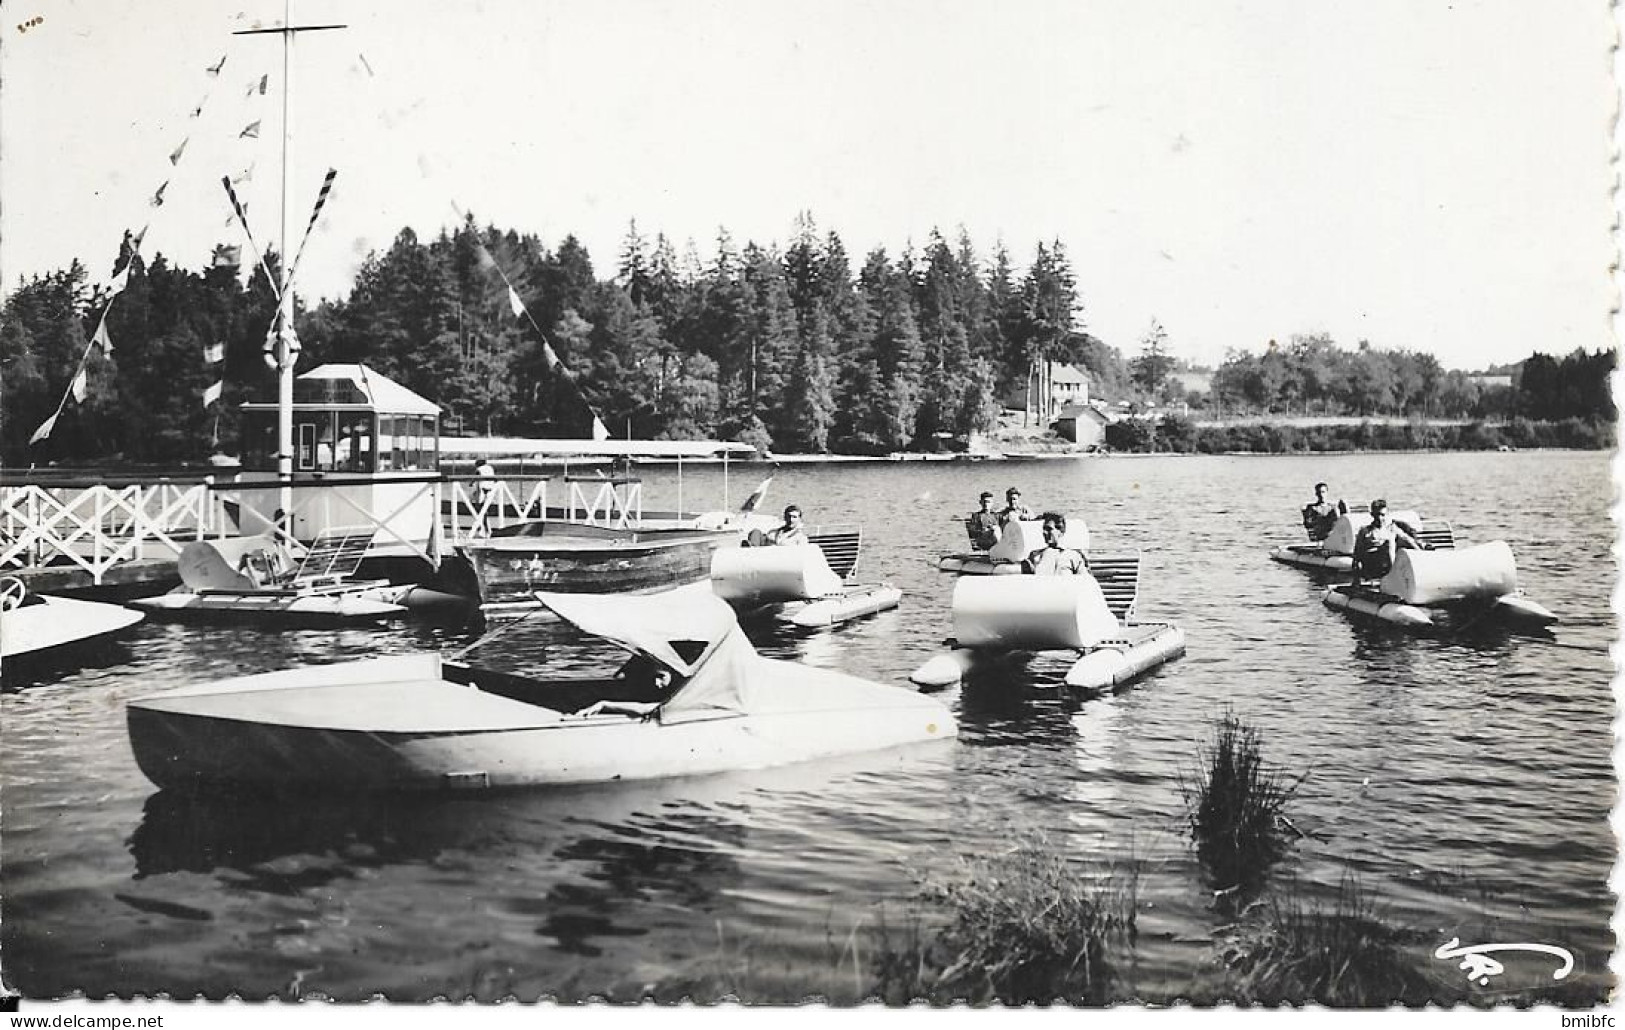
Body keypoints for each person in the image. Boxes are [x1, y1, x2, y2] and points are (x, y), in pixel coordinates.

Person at [1352, 498, 1428, 584]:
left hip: (1389, 565)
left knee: (1392, 543)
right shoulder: (1365, 531)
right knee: (1387, 545)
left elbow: (1409, 541)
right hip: (1372, 568)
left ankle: (1395, 576)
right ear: (1372, 515)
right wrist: (1356, 579)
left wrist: (1421, 553)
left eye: (1382, 515)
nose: (1380, 518)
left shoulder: (1392, 528)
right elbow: (1356, 556)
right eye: (1377, 515)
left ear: (1387, 514)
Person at [1022, 511, 1089, 575]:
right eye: (1044, 529)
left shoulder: (1073, 556)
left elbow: (1084, 581)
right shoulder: (1035, 556)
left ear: (1061, 532)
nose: (1044, 532)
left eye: (1049, 529)